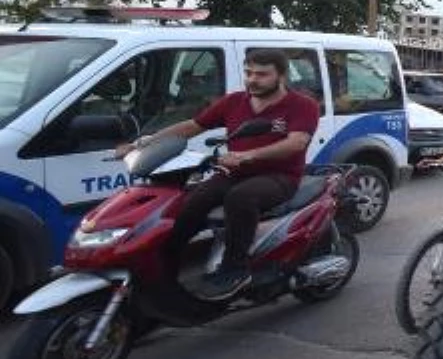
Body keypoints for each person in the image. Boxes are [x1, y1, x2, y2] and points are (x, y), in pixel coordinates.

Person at [114, 49, 319, 300]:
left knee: (240, 198)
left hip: (280, 176)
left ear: (282, 76)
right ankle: (162, 269)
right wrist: (141, 144)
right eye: (249, 73)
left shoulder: (302, 105)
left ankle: (235, 269)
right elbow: (191, 126)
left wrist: (248, 155)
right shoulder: (234, 101)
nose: (252, 79)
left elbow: (296, 143)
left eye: (262, 74)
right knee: (189, 204)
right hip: (232, 172)